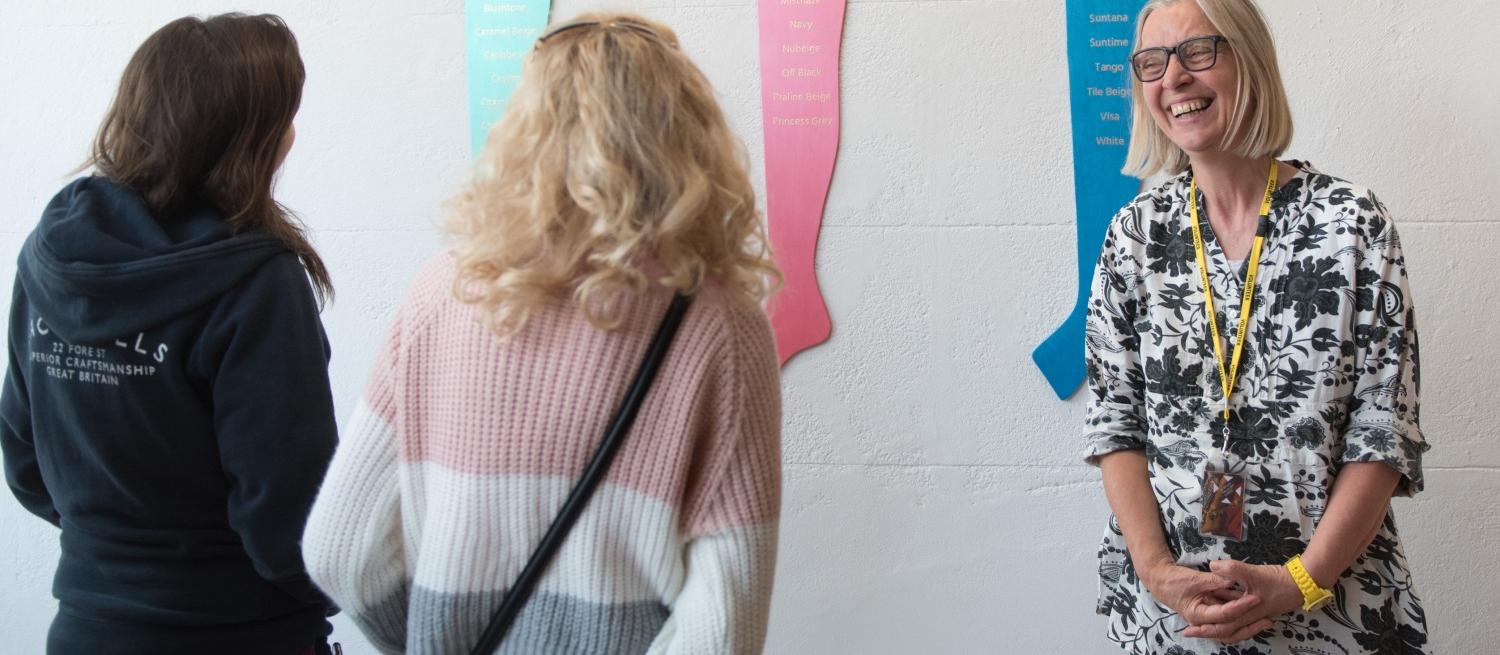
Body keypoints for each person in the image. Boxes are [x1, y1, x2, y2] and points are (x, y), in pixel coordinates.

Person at [302, 12, 784, 654]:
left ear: (525, 132)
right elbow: (724, 630)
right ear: (688, 137)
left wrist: (428, 640)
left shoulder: (445, 289)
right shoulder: (721, 325)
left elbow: (338, 548)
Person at [1083, 1, 1430, 653]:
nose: (1175, 78)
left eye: (1198, 51)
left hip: (1335, 612)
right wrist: (1159, 573)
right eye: (1152, 62)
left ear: (1251, 60)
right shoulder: (1134, 234)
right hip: (1174, 621)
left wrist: (1303, 578)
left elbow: (1384, 429)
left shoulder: (1353, 224)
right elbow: (1115, 421)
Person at [0, 14, 338, 655]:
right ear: (254, 139)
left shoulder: (49, 254)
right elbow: (286, 517)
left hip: (86, 632)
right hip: (236, 636)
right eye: (285, 117)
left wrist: (122, 563)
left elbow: (24, 463)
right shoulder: (257, 280)